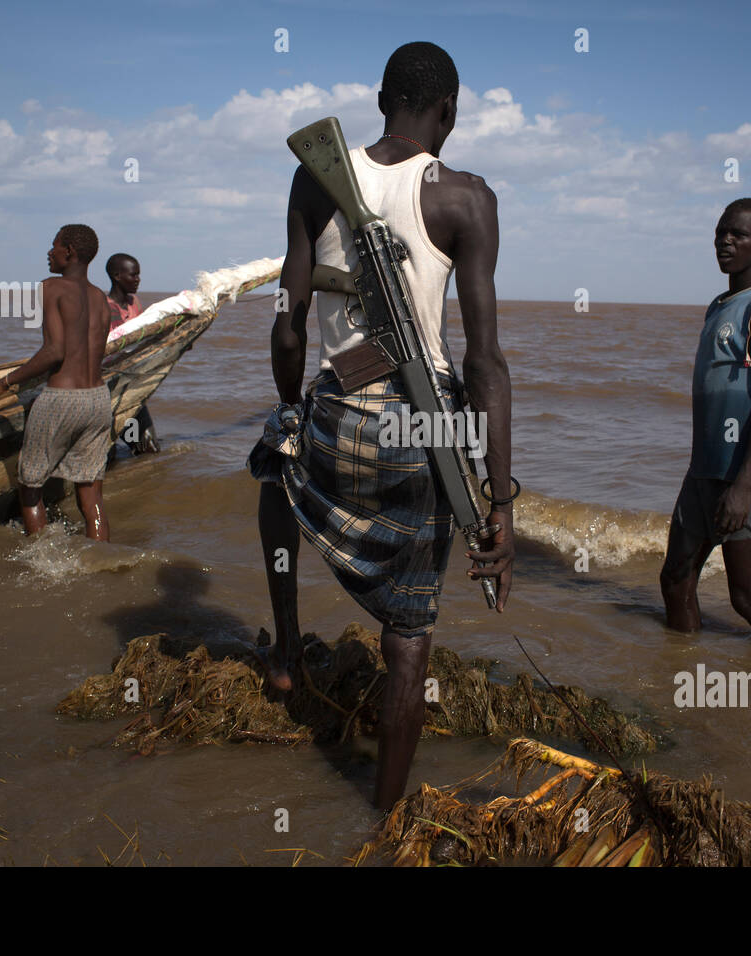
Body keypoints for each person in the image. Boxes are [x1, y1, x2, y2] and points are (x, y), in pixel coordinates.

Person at [249, 41, 514, 810]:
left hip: (338, 403)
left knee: (274, 463)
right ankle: (388, 818)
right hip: (423, 434)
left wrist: (293, 405)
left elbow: (288, 320)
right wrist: (500, 501)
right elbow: (486, 363)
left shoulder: (315, 175)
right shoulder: (467, 198)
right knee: (409, 641)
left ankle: (288, 649)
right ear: (448, 114)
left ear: (379, 100)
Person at [660, 198, 751, 645]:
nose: (726, 241)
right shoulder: (719, 304)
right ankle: (680, 673)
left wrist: (741, 486)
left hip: (745, 479)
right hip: (703, 474)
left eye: (738, 234)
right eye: (721, 232)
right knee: (675, 582)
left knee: (747, 597)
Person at [0, 224, 112, 541]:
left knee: (30, 485)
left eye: (53, 246)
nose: (48, 252)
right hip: (98, 401)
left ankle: (41, 561)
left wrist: (5, 382)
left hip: (61, 401)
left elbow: (55, 352)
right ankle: (103, 559)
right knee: (91, 492)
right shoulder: (100, 299)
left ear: (69, 252)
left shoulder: (51, 288)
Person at [103, 252, 160, 455]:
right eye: (133, 275)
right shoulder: (103, 307)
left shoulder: (134, 302)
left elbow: (145, 331)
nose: (138, 280)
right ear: (117, 276)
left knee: (147, 450)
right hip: (108, 390)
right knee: (107, 455)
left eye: (138, 275)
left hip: (131, 389)